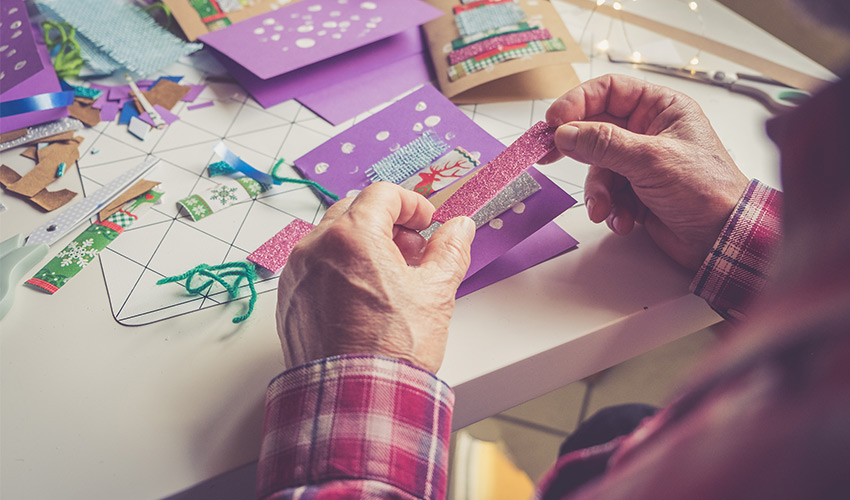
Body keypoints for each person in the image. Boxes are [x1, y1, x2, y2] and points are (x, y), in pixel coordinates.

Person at [254, 4, 850, 498]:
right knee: (611, 428)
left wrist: (359, 368)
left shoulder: (814, 450)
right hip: (643, 449)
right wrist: (730, 223)